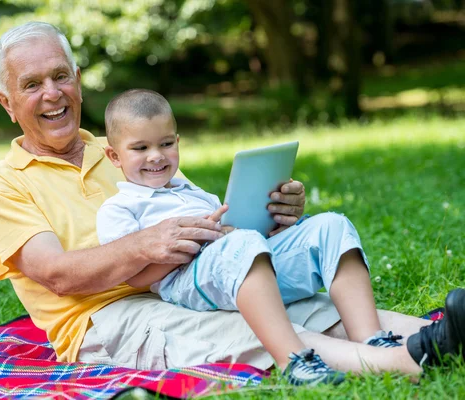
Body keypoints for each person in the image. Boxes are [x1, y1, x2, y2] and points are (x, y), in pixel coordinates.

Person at [0, 21, 465, 386]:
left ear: (78, 79)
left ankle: (439, 335)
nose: (52, 93)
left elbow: (202, 220)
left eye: (60, 76)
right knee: (252, 326)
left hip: (190, 278)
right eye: (32, 85)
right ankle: (411, 361)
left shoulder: (128, 147)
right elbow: (57, 274)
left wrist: (269, 217)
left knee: (301, 302)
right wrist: (147, 246)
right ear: (6, 102)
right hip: (107, 318)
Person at [96, 88, 409, 384]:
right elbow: (135, 279)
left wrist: (267, 218)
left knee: (331, 226)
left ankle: (372, 340)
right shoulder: (119, 208)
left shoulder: (195, 193)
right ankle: (294, 361)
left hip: (241, 265)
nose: (156, 156)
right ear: (113, 156)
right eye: (140, 148)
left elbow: (240, 234)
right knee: (241, 244)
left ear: (177, 141)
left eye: (166, 144)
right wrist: (197, 242)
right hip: (186, 283)